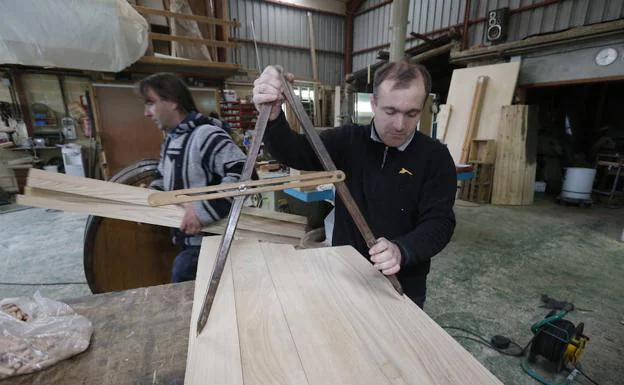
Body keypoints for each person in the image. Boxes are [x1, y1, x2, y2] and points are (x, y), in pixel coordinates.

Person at [252, 61, 456, 308]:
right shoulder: (348, 140)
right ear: (373, 104)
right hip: (345, 272)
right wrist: (273, 118)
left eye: (411, 113)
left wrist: (403, 250)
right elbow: (294, 152)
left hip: (403, 282)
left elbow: (440, 223)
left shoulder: (435, 157)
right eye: (390, 111)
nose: (400, 125)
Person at [138, 73, 246, 282]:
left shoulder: (205, 135)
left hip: (210, 245)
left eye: (151, 103)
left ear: (172, 101)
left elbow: (245, 174)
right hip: (185, 241)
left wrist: (201, 210)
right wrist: (151, 199)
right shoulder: (173, 138)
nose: (146, 113)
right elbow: (162, 177)